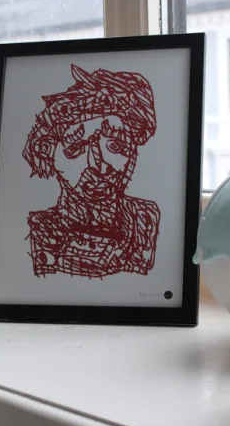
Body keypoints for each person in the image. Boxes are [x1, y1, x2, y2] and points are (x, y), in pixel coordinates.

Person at [22, 64, 160, 278]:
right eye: (75, 148)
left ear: (133, 151)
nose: (99, 166)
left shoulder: (143, 221)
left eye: (115, 146)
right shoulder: (40, 233)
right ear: (49, 155)